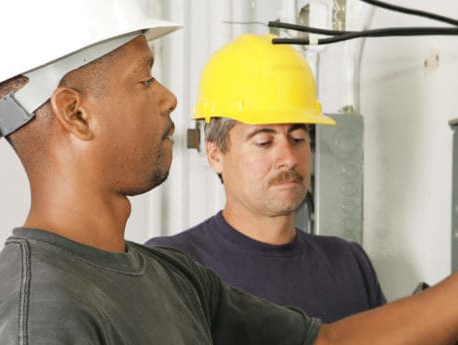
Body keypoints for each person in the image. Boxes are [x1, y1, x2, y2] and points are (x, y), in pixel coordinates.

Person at [0, 0, 458, 344]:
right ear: (75, 113)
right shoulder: (37, 314)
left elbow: (333, 339)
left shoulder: (166, 277)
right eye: (143, 79)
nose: (169, 98)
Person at [146, 34, 386, 323]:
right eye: (264, 142)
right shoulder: (174, 265)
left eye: (298, 137)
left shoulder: (349, 263)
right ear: (215, 154)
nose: (289, 157)